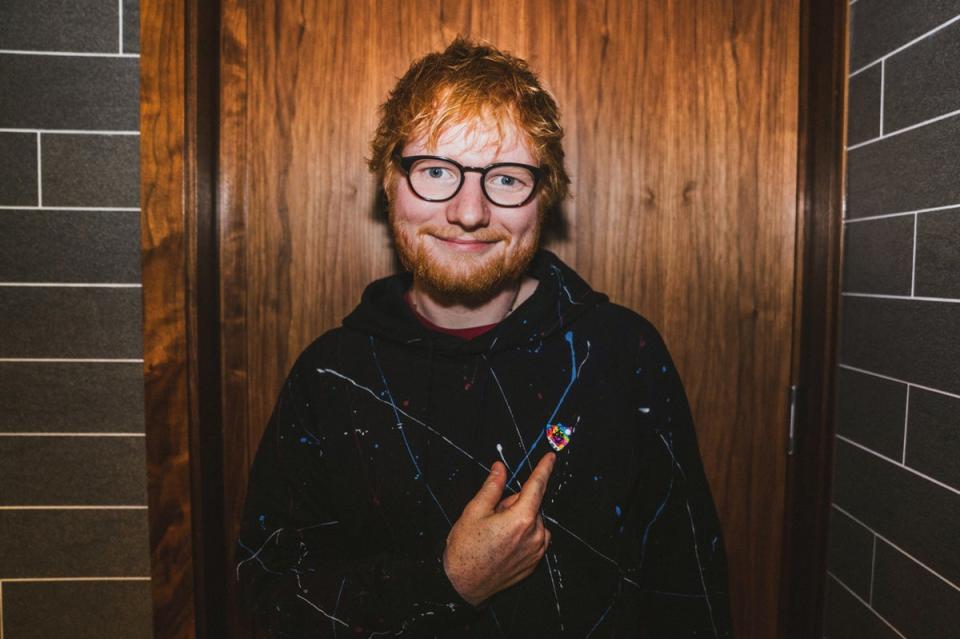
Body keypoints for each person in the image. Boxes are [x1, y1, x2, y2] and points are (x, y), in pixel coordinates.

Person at [237, 37, 733, 638]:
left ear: (543, 196)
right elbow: (266, 605)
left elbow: (689, 592)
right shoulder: (329, 376)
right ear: (388, 185)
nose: (469, 212)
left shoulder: (621, 355)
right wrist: (447, 582)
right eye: (437, 171)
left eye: (505, 178)